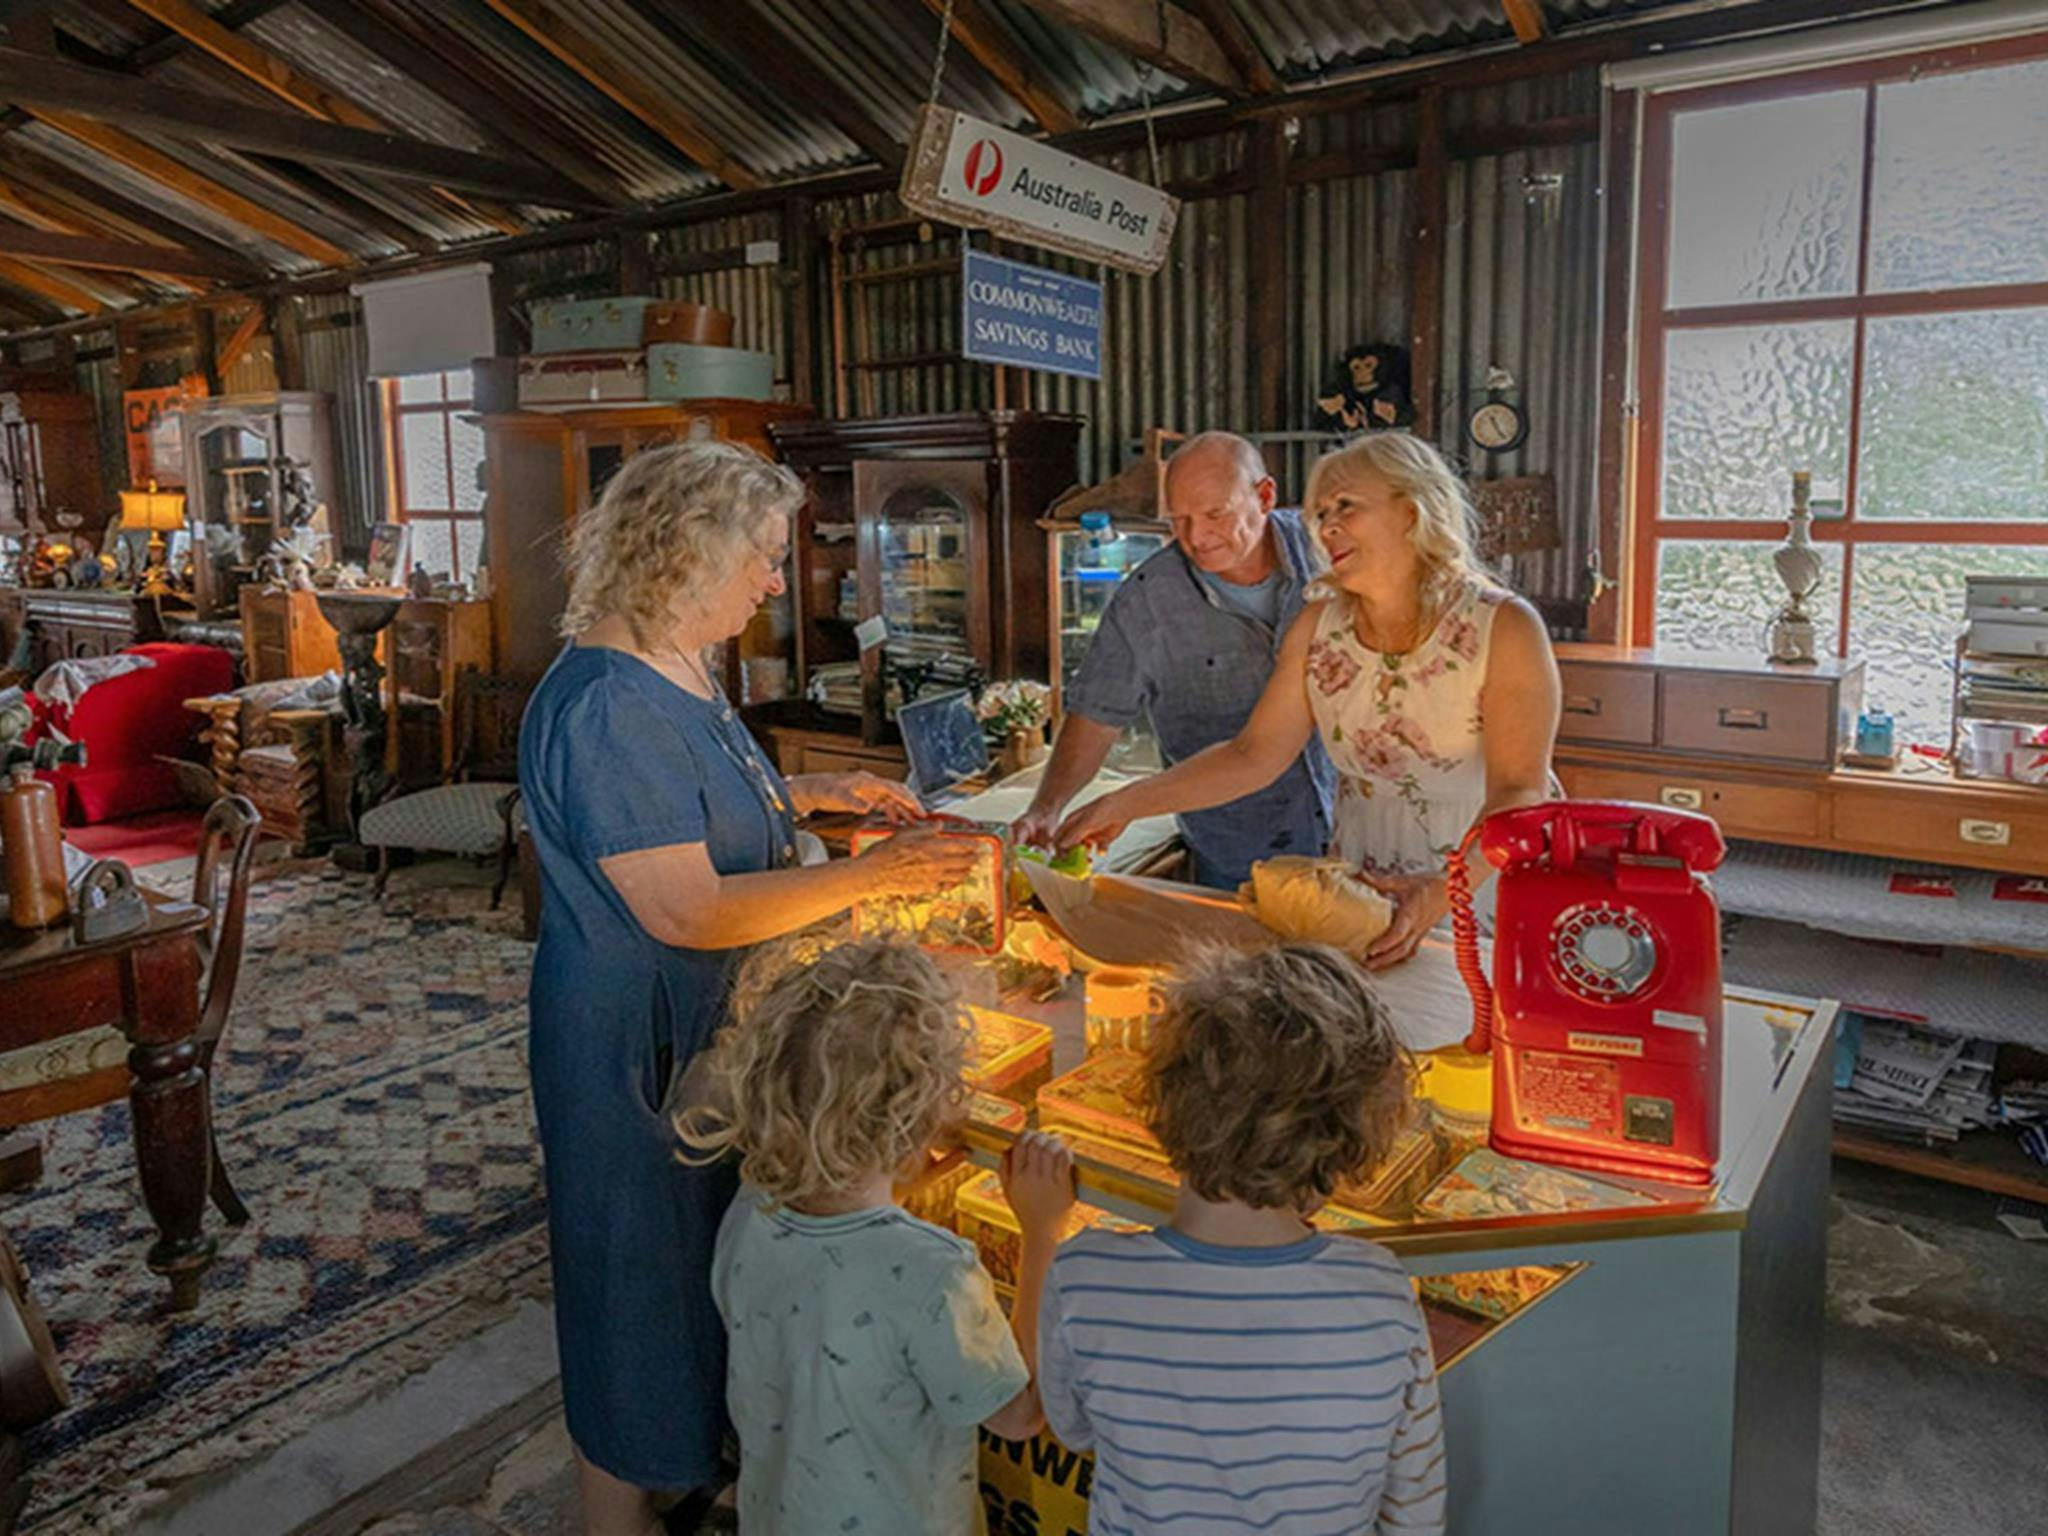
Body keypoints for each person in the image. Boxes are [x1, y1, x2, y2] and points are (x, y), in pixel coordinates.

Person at [517, 441, 984, 1536]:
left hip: (697, 1026)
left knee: (702, 1274)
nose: (777, 581)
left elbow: (696, 805)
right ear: (687, 553)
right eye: (763, 557)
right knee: (635, 1291)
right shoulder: (605, 703)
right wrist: (867, 880)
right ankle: (615, 1515)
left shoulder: (672, 659)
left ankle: (709, 1478)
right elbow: (681, 908)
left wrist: (813, 790)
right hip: (637, 1044)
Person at [1058, 432, 1560, 968]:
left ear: (1412, 512)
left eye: (1346, 506)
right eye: (1320, 512)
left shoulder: (1502, 627)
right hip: (1359, 884)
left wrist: (1443, 890)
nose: (1326, 526)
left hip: (1479, 881)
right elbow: (1252, 756)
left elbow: (1520, 789)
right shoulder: (1318, 626)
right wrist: (1121, 806)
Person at [1037, 942, 1447, 1535]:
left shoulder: (1083, 1278)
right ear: (1353, 1133)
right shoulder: (1381, 1293)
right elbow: (1416, 1516)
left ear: (1165, 1097)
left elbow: (1073, 1431)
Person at [678, 936, 1077, 1536]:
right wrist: (1043, 1235)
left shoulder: (750, 1207)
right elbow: (1018, 1416)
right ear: (923, 1113)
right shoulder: (933, 1270)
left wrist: (900, 1182)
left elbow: (833, 1277)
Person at [1013, 431, 1334, 891]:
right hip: (1239, 853)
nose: (1196, 537)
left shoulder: (1327, 556)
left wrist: (1125, 804)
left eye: (1215, 514)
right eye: (1178, 520)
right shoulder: (1149, 598)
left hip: (1356, 834)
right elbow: (1097, 712)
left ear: (1264, 496)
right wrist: (1047, 806)